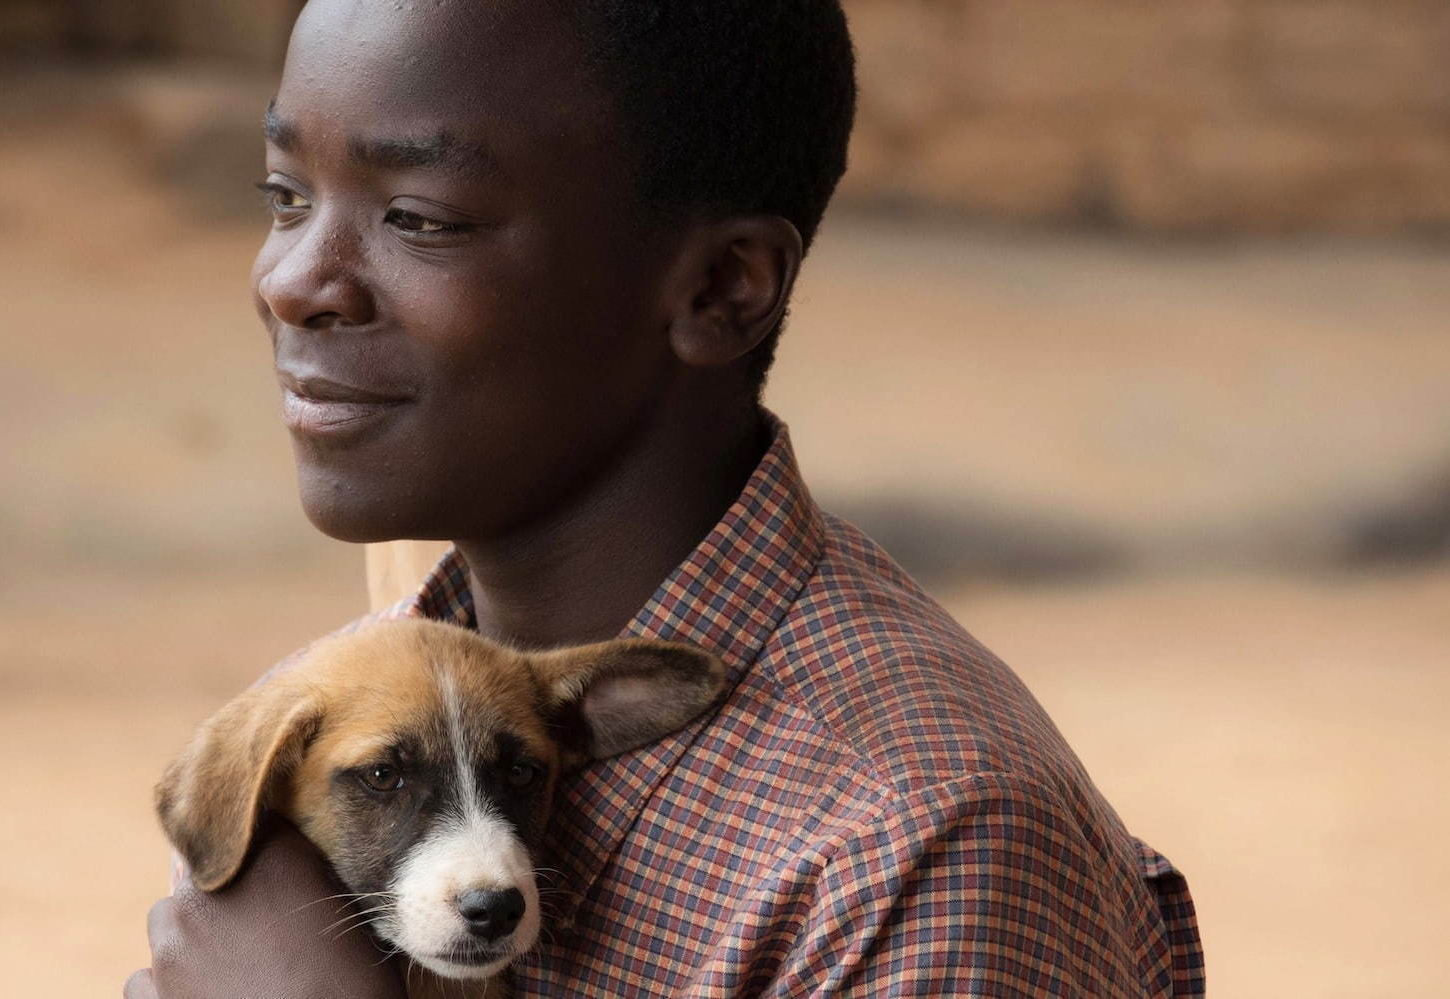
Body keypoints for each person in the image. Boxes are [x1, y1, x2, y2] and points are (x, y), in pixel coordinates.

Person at [128, 0, 1204, 995]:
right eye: (284, 196)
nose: (291, 282)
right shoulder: (341, 707)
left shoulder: (912, 852)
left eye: (417, 215)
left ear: (719, 288)